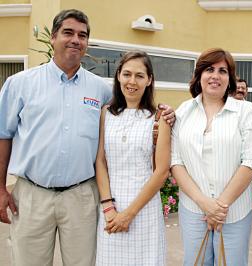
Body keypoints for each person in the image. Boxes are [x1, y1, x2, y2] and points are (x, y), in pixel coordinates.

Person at [0, 9, 174, 266]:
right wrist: (0, 187)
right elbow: (3, 135)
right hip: (32, 196)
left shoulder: (100, 90)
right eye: (68, 33)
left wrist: (167, 113)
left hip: (80, 198)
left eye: (82, 35)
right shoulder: (20, 84)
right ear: (53, 38)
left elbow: (129, 113)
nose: (75, 40)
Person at [171, 48, 252, 265]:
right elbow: (175, 161)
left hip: (234, 212)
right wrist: (205, 204)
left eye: (223, 71)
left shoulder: (245, 111)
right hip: (193, 209)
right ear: (199, 75)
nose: (215, 76)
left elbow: (251, 160)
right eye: (209, 69)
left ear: (230, 78)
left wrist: (219, 207)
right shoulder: (183, 111)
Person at [95, 51, 171, 265]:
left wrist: (129, 214)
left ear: (149, 80)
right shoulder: (106, 113)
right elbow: (100, 161)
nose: (132, 81)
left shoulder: (159, 118)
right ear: (118, 76)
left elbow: (162, 171)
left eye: (139, 75)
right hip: (110, 208)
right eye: (127, 74)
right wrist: (109, 208)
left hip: (144, 210)